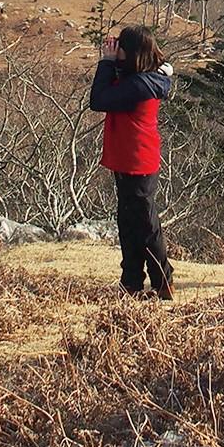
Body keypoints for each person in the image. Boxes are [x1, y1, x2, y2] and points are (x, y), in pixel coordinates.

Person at [88, 25, 176, 300]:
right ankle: (132, 281)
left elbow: (98, 99)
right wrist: (114, 63)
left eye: (121, 47)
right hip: (131, 158)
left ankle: (163, 281)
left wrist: (105, 62)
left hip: (137, 159)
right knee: (130, 221)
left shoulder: (140, 85)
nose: (117, 51)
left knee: (145, 224)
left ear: (133, 53)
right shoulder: (143, 78)